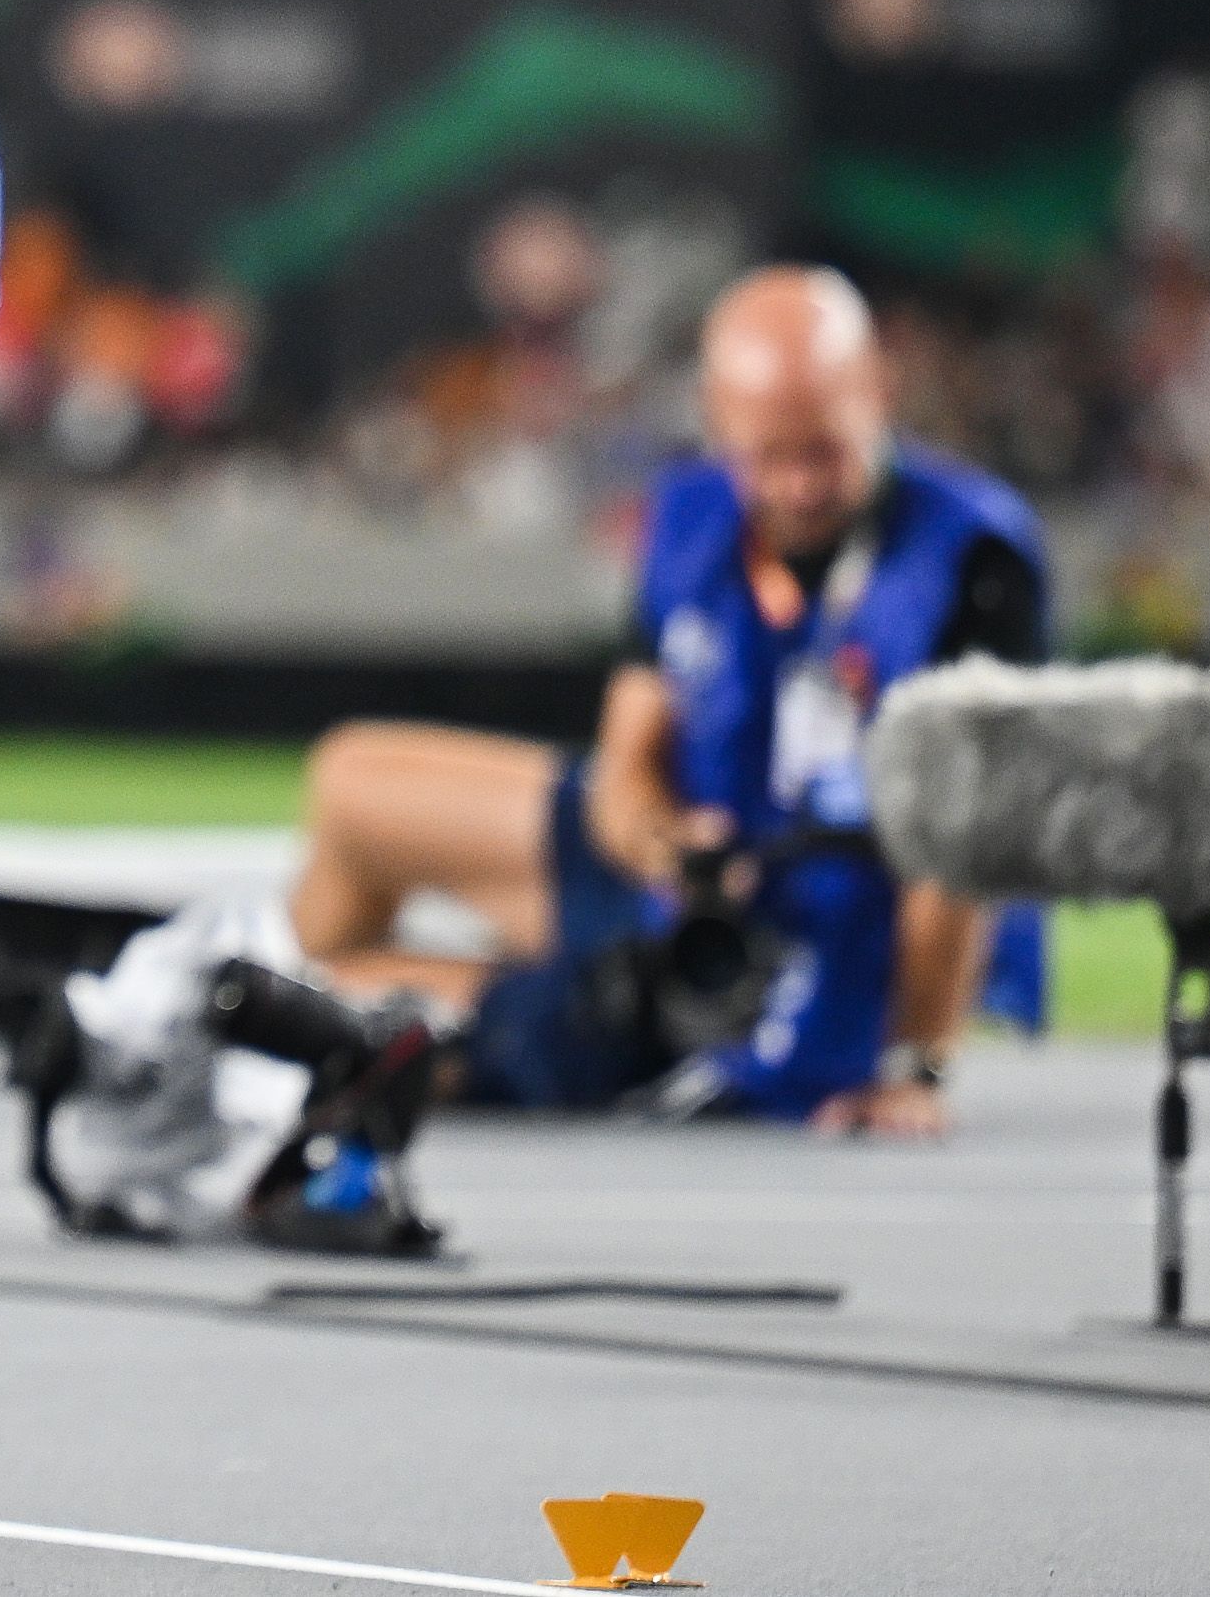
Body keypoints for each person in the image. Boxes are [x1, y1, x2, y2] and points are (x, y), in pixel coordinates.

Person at [286, 265, 1051, 1133]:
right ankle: (298, 1032)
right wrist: (665, 844)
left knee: (345, 993)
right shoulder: (687, 518)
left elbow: (961, 844)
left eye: (825, 451)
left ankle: (312, 1028)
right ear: (717, 416)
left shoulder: (972, 556)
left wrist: (917, 1062)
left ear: (878, 392)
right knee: (347, 782)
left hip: (821, 936)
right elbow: (624, 771)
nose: (800, 484)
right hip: (686, 874)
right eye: (770, 455)